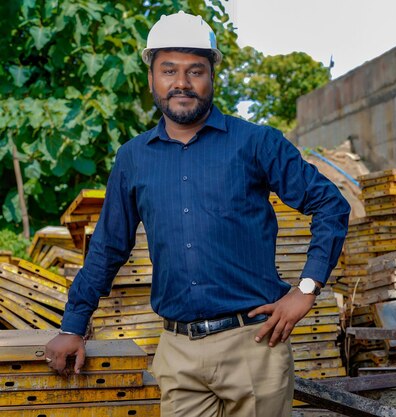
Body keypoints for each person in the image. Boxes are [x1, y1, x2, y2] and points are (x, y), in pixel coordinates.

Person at [45, 11, 350, 417]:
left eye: (195, 70)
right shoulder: (134, 158)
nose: (182, 83)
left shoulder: (256, 143)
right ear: (151, 76)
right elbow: (107, 247)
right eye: (168, 69)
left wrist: (307, 290)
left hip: (254, 345)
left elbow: (330, 203)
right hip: (177, 353)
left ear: (212, 76)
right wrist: (73, 325)